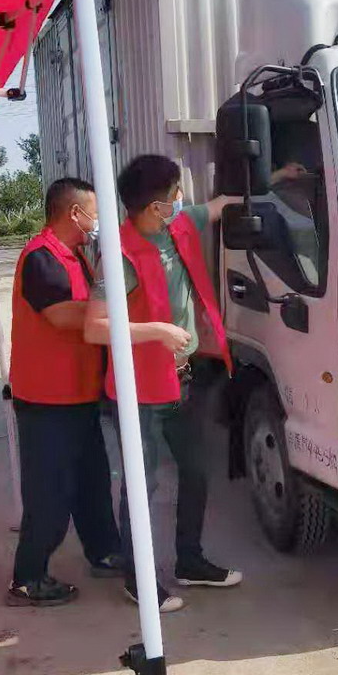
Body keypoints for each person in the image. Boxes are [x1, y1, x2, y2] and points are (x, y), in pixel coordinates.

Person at [84, 155, 240, 614]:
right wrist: (156, 331)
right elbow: (95, 327)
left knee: (196, 472)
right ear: (157, 206)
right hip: (141, 391)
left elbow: (219, 205)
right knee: (142, 486)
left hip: (183, 381)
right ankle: (138, 580)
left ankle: (190, 561)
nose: (182, 200)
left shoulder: (178, 226)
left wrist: (278, 179)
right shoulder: (119, 256)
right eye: (176, 194)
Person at [7, 178, 122, 607]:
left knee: (92, 482)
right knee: (49, 493)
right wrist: (119, 306)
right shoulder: (42, 257)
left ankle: (105, 552)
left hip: (79, 394)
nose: (97, 221)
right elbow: (62, 316)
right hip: (46, 400)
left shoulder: (75, 256)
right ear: (75, 213)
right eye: (94, 212)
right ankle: (28, 577)